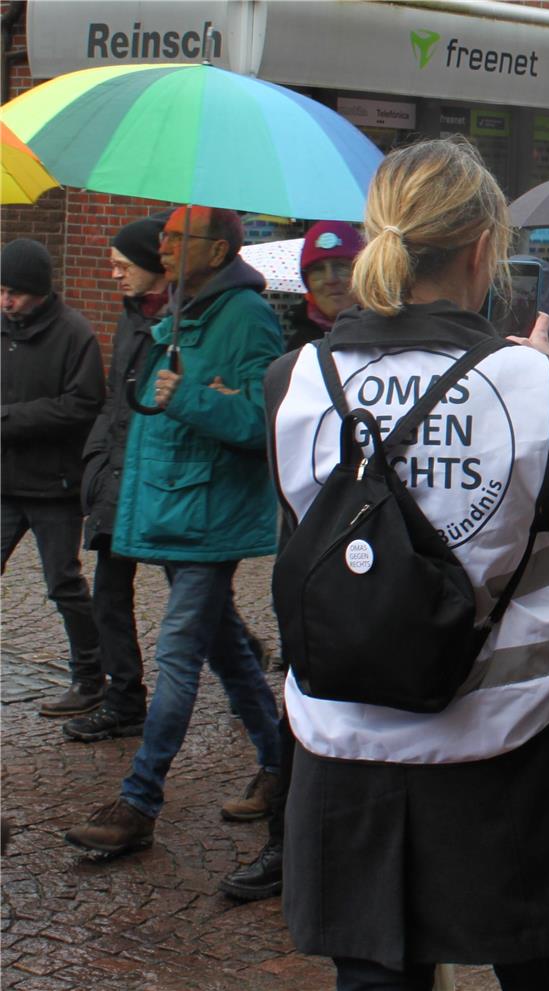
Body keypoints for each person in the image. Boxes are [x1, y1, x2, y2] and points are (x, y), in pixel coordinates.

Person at [263, 139, 549, 984]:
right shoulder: (523, 381)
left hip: (346, 734)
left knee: (375, 975)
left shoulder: (293, 377)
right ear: (483, 250)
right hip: (509, 735)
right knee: (545, 969)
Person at [61, 207, 283, 859]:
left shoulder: (246, 317)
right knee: (228, 652)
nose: (161, 245)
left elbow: (259, 420)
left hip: (208, 514)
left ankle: (139, 800)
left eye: (175, 238)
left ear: (215, 251)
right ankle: (279, 763)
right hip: (174, 507)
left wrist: (190, 395)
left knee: (178, 654)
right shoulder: (183, 307)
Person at [62, 218, 169, 743]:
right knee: (109, 593)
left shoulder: (181, 321)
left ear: (154, 265)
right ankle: (125, 700)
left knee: (199, 603)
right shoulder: (130, 317)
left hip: (164, 482)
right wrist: (97, 459)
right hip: (118, 477)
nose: (113, 275)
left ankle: (243, 667)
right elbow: (113, 398)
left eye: (123, 265)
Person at [1, 238, 106, 719]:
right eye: (1, 291)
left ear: (40, 291)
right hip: (5, 480)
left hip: (55, 487)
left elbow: (82, 404)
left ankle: (90, 678)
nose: (6, 302)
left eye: (15, 293)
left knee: (64, 584)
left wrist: (9, 419)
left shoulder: (74, 333)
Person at [282, 221, 366, 351]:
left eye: (341, 267)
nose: (330, 279)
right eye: (318, 269)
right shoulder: (298, 351)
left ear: (363, 273)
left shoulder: (389, 337)